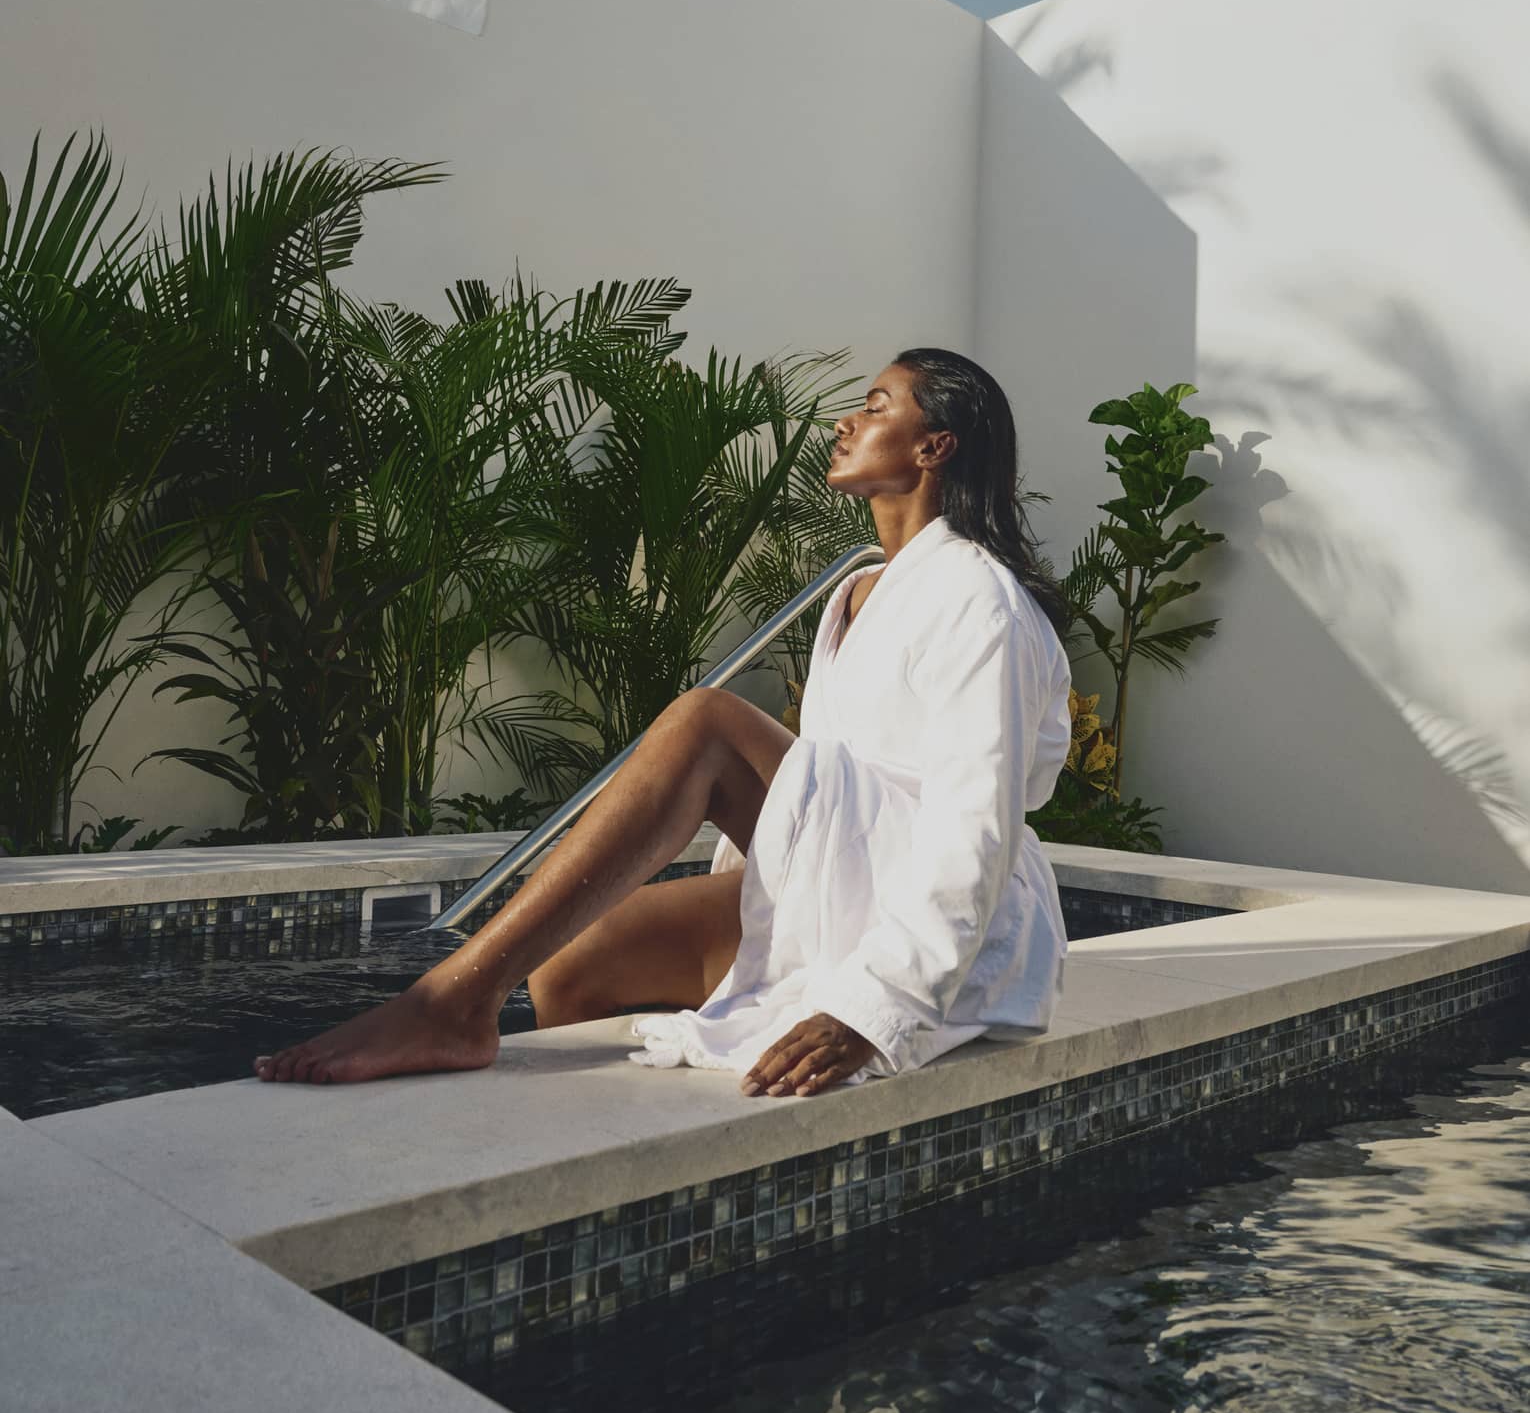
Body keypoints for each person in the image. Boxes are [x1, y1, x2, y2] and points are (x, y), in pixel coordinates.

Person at [253, 346, 1074, 1097]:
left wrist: (881, 1005)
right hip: (845, 885)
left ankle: (451, 1002)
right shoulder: (860, 592)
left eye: (875, 406)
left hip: (944, 924)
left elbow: (976, 821)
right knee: (570, 967)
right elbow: (836, 788)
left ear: (933, 447)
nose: (844, 422)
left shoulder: (978, 597)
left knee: (704, 723)